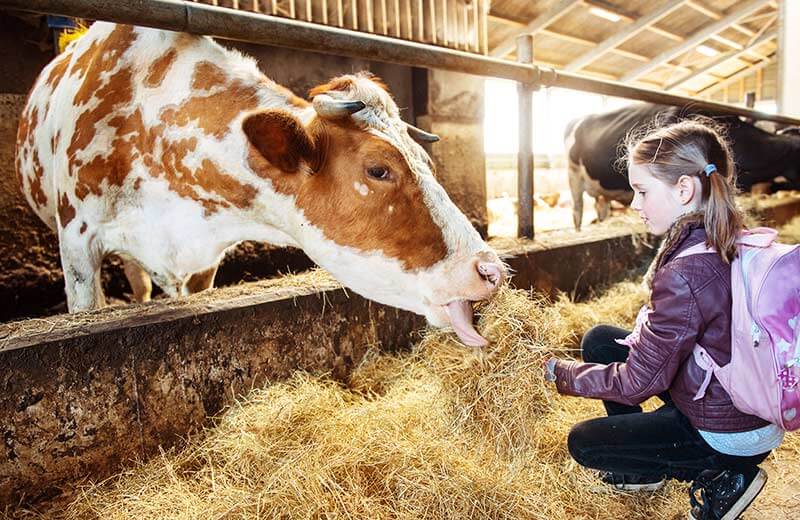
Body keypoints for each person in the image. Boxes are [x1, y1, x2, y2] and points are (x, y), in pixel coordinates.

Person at [544, 118, 783, 520]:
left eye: (642, 191)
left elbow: (640, 382)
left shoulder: (686, 273)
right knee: (602, 340)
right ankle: (646, 470)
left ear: (684, 189)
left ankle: (725, 475)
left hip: (728, 432)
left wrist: (562, 374)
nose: (634, 204)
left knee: (585, 443)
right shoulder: (723, 233)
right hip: (741, 397)